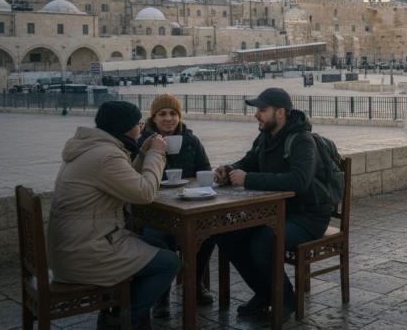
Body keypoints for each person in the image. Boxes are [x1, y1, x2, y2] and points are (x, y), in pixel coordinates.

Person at [48, 101, 179, 329]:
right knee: (170, 262)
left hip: (76, 246)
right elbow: (145, 192)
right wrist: (157, 154)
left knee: (159, 244)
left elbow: (126, 182)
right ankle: (126, 320)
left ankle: (118, 311)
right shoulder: (106, 156)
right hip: (88, 253)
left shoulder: (92, 147)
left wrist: (143, 152)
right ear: (126, 127)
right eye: (138, 124)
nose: (140, 128)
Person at [214, 88, 333, 320]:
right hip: (275, 212)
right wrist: (228, 170)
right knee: (226, 236)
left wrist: (248, 179)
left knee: (263, 242)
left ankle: (285, 300)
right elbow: (248, 161)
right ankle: (266, 292)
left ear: (280, 113)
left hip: (307, 217)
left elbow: (299, 181)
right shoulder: (265, 136)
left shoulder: (301, 141)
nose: (256, 115)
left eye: (262, 110)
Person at [138, 94, 215, 306]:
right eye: (162, 114)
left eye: (173, 113)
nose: (169, 118)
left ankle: (195, 284)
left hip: (186, 205)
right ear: (153, 118)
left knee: (208, 234)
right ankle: (161, 295)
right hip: (153, 210)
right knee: (161, 236)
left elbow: (205, 170)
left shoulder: (190, 141)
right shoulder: (143, 142)